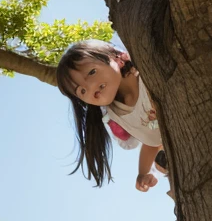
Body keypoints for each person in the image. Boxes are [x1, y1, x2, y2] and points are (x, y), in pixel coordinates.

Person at [57, 39, 163, 192]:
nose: (91, 87)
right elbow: (152, 140)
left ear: (117, 58)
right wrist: (143, 173)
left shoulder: (145, 68)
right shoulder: (116, 117)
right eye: (82, 91)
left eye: (92, 72)